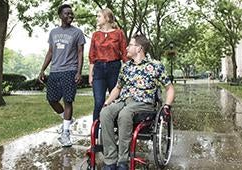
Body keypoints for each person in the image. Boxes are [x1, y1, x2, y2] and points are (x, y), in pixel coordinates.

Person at [99, 34, 175, 170]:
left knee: (125, 114)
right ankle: (110, 160)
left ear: (139, 48)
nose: (127, 47)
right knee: (105, 113)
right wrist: (107, 102)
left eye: (130, 45)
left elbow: (169, 88)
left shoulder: (155, 66)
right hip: (124, 100)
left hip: (143, 102)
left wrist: (167, 107)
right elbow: (118, 88)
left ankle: (123, 160)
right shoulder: (126, 67)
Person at [38, 4, 86, 147]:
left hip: (70, 70)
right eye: (67, 14)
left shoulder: (77, 33)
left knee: (68, 101)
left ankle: (65, 133)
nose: (70, 16)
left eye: (71, 14)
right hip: (55, 71)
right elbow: (50, 52)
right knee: (52, 99)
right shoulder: (53, 32)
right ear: (60, 15)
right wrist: (42, 69)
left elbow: (80, 53)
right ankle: (67, 119)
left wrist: (78, 71)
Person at [88, 8, 128, 124]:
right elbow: (92, 55)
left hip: (114, 68)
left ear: (107, 18)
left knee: (114, 101)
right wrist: (91, 74)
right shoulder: (95, 35)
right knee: (99, 101)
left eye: (99, 16)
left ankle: (114, 129)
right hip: (99, 69)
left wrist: (127, 72)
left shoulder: (119, 33)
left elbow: (125, 54)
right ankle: (94, 136)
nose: (97, 18)